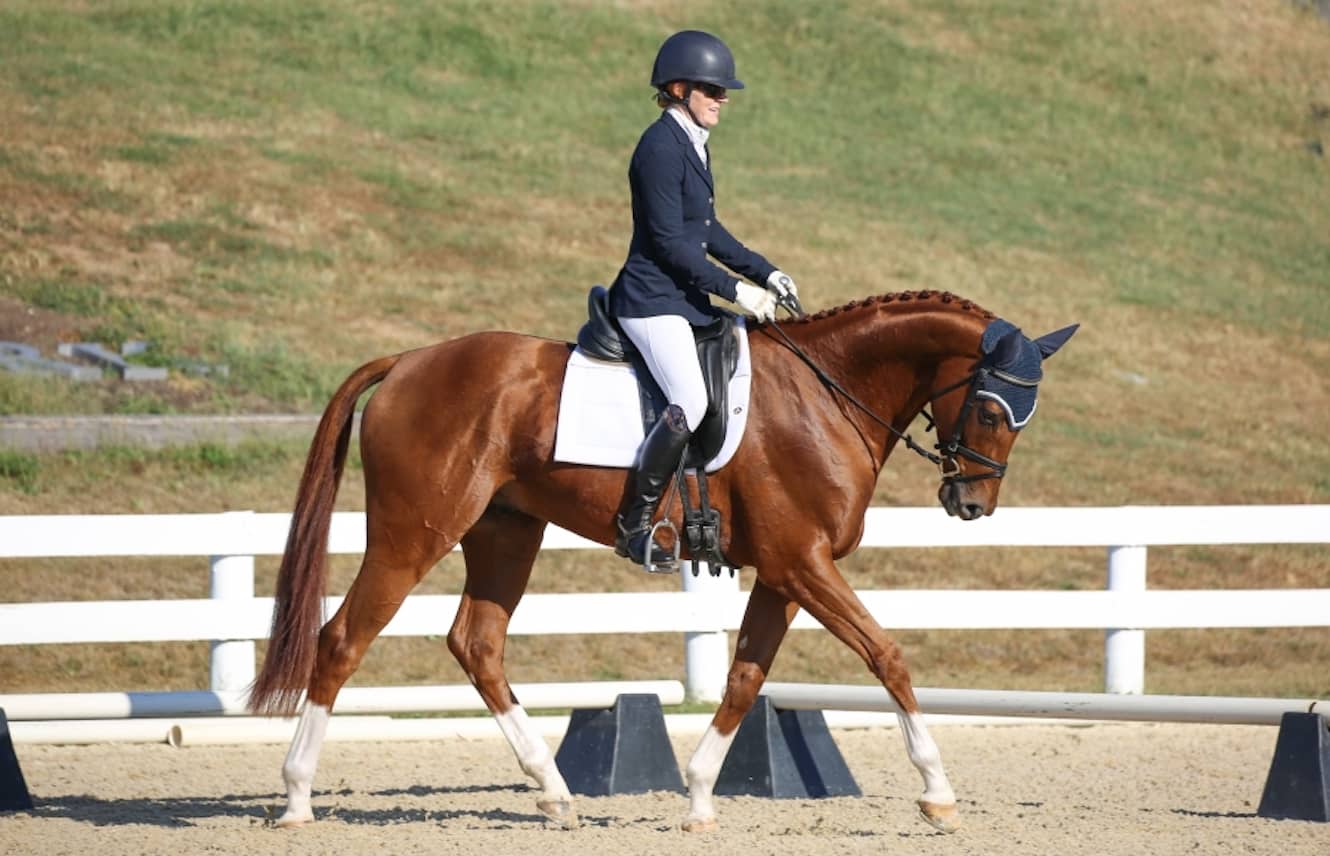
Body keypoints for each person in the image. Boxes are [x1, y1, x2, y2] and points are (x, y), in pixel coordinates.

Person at [607, 29, 800, 571]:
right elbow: (669, 242)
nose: (723, 99)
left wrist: (768, 271)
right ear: (678, 87)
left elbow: (708, 230)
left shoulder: (693, 144)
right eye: (713, 89)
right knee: (689, 400)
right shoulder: (658, 148)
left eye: (723, 91)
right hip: (650, 300)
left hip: (683, 299)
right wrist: (735, 290)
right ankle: (635, 524)